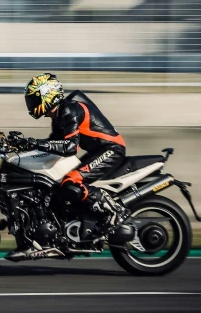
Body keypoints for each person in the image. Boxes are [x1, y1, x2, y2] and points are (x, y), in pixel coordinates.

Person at [18, 73, 126, 215]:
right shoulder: (58, 115)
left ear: (47, 95)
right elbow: (54, 143)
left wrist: (35, 143)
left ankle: (114, 212)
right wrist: (25, 144)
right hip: (97, 151)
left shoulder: (69, 110)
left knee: (71, 183)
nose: (31, 103)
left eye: (34, 98)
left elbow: (70, 147)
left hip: (112, 149)